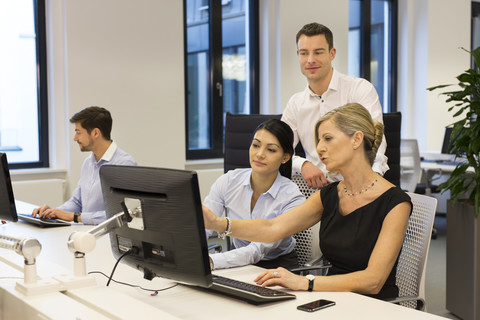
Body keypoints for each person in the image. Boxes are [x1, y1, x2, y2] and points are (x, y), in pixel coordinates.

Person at [203, 103, 412, 300]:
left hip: (373, 306)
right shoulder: (329, 195)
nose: (319, 148)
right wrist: (220, 224)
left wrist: (306, 282)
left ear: (356, 140)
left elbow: (373, 281)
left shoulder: (396, 203)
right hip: (332, 298)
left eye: (327, 138)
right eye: (319, 140)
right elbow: (273, 227)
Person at [281, 22, 388, 189]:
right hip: (316, 190)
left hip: (359, 185)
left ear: (332, 53)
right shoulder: (296, 103)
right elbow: (280, 148)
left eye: (318, 52)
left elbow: (376, 141)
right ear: (298, 55)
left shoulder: (358, 89)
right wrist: (302, 164)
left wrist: (372, 182)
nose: (310, 60)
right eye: (304, 53)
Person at [204, 119, 305, 270]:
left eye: (271, 150)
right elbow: (204, 226)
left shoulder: (292, 198)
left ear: (285, 157)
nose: (259, 154)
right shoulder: (228, 181)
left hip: (277, 268)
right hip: (236, 261)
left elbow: (257, 250)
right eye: (256, 145)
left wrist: (211, 261)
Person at [32, 106, 137, 225]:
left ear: (96, 133)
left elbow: (124, 214)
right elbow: (77, 202)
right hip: (86, 232)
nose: (75, 138)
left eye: (78, 132)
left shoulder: (124, 164)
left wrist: (76, 217)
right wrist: (53, 212)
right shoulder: (88, 163)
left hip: (109, 236)